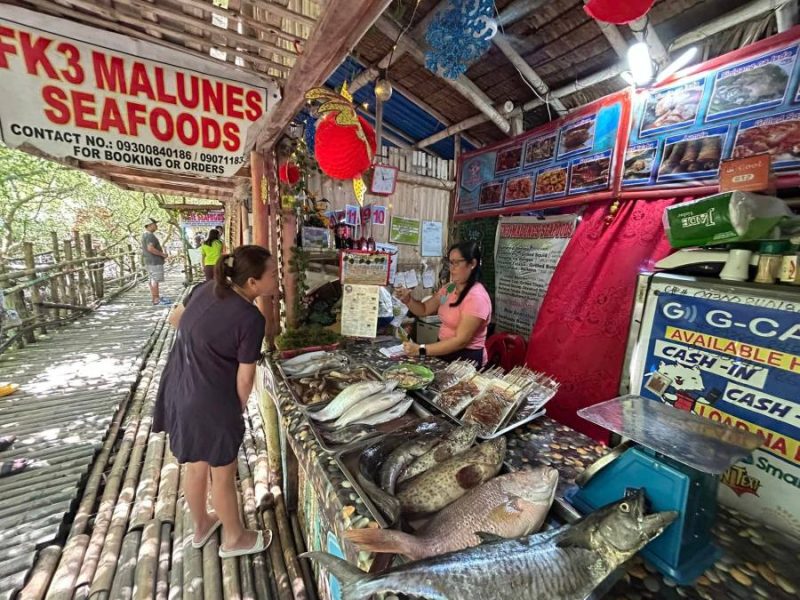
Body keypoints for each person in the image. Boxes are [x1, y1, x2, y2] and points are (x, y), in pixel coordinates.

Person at [153, 245, 277, 558]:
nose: (277, 278)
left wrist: (204, 345)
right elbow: (245, 379)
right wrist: (233, 414)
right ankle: (234, 538)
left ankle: (202, 525)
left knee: (196, 467)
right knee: (222, 473)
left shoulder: (204, 288)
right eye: (272, 274)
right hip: (212, 400)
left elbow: (175, 320)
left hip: (180, 387)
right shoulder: (251, 318)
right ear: (252, 283)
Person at [398, 241, 492, 367]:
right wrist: (408, 300)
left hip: (466, 359)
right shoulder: (450, 288)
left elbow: (460, 341)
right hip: (444, 350)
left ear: (472, 264)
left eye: (457, 263)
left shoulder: (477, 298)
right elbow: (425, 309)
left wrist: (420, 349)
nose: (452, 268)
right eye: (450, 262)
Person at [142, 218, 171, 306]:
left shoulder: (145, 235)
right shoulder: (150, 236)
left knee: (152, 279)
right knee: (155, 280)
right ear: (150, 225)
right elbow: (150, 248)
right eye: (155, 224)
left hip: (149, 261)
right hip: (154, 261)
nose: (156, 226)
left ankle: (155, 297)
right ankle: (156, 299)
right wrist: (162, 254)